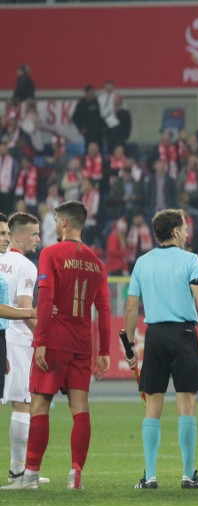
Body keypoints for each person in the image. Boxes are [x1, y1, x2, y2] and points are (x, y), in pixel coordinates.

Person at [1, 202, 111, 491]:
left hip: (55, 341)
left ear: (63, 224)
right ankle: (76, 474)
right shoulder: (96, 263)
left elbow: (46, 300)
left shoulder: (50, 254)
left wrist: (40, 341)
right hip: (82, 343)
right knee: (80, 407)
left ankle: (31, 475)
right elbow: (105, 310)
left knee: (39, 405)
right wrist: (104, 352)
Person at [124, 209, 198, 490]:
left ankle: (150, 476)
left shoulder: (143, 262)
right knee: (186, 403)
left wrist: (130, 344)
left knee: (152, 404)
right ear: (177, 231)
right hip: (184, 334)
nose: (188, 233)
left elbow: (131, 307)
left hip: (154, 335)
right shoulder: (190, 260)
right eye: (185, 228)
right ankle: (189, 475)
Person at [0, 213, 46, 485]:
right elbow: (26, 308)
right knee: (22, 403)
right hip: (15, 340)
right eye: (34, 234)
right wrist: (44, 338)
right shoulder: (26, 266)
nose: (39, 238)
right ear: (18, 236)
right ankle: (18, 472)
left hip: (5, 336)